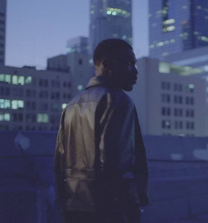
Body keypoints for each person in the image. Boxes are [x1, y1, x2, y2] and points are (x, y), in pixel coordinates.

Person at [54, 39, 149, 223]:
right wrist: (132, 209)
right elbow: (117, 167)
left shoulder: (71, 106)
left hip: (74, 206)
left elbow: (59, 165)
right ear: (106, 65)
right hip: (109, 209)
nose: (135, 71)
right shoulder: (118, 101)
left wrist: (65, 206)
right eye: (128, 63)